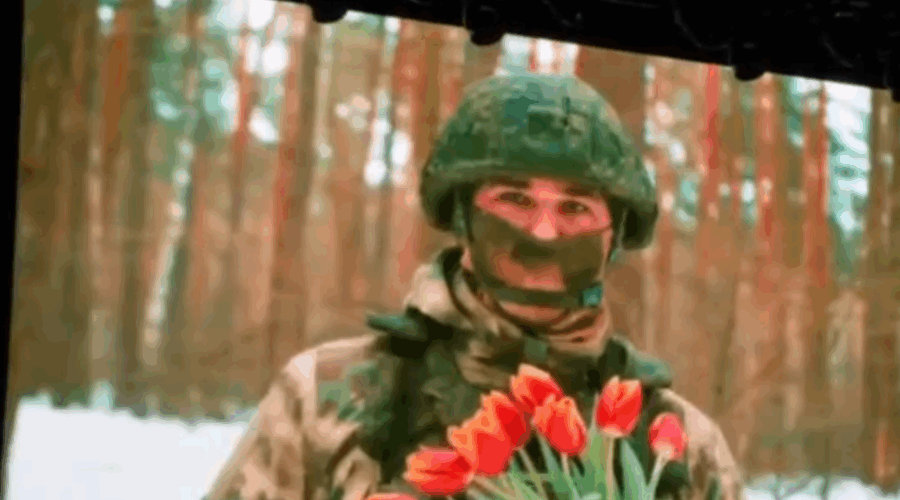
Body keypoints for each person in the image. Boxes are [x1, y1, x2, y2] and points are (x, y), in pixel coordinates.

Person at [204, 73, 745, 500]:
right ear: (463, 215)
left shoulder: (682, 443)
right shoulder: (328, 396)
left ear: (614, 237)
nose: (544, 232)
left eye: (576, 208)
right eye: (514, 199)